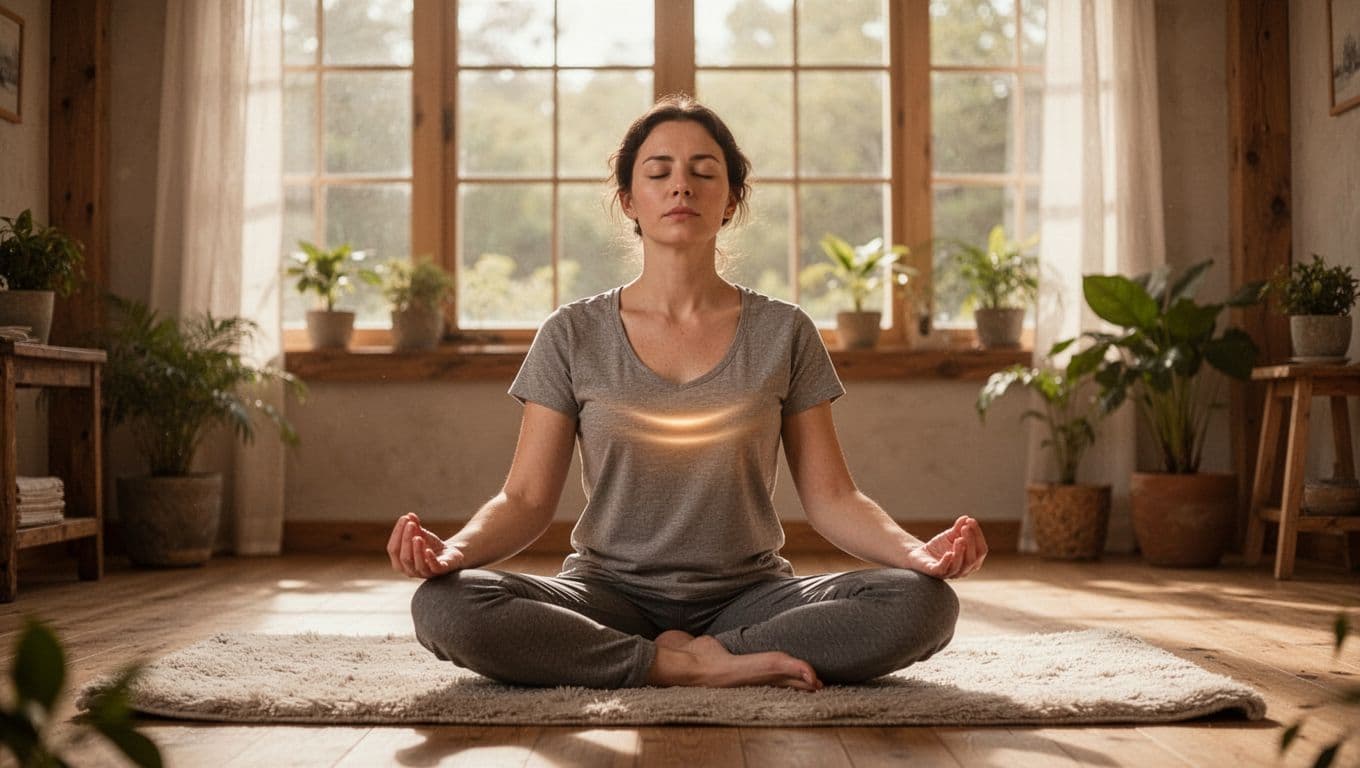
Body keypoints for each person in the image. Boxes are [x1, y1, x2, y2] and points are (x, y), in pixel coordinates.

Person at [388, 95, 987, 692]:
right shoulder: (571, 333)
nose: (682, 187)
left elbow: (833, 496)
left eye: (704, 172)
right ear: (629, 199)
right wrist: (453, 552)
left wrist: (917, 555)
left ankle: (697, 654)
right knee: (447, 605)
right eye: (659, 173)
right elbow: (524, 498)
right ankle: (681, 665)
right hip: (605, 594)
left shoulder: (785, 332)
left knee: (922, 604)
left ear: (730, 201)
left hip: (750, 597)